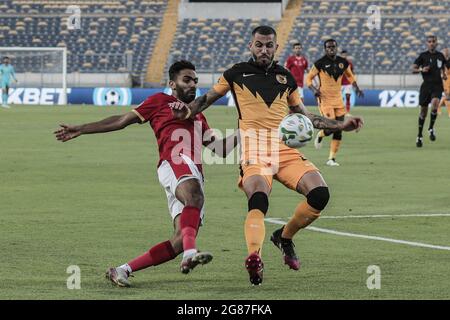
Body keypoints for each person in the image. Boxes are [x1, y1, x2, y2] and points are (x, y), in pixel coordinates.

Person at [170, 26, 364, 285]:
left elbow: (305, 118)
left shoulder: (286, 78)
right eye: (259, 45)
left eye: (269, 45)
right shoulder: (235, 73)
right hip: (253, 150)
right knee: (259, 198)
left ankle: (284, 237)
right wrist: (186, 112)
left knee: (320, 194)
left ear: (275, 47)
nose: (264, 49)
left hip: (284, 149)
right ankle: (254, 258)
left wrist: (341, 125)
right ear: (251, 46)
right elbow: (206, 99)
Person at [54, 60, 237, 287]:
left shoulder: (198, 115)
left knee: (180, 238)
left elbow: (220, 149)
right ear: (172, 83)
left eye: (195, 81)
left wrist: (244, 130)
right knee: (194, 198)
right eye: (187, 80)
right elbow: (122, 120)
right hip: (174, 162)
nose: (193, 85)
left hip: (193, 173)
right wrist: (82, 128)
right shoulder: (160, 101)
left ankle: (122, 269)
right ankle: (190, 254)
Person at [306, 39, 364, 166]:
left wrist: (357, 87)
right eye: (328, 47)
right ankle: (321, 134)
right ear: (325, 49)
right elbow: (309, 78)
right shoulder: (320, 63)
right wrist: (314, 90)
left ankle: (331, 159)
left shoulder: (343, 62)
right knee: (332, 125)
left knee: (339, 128)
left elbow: (350, 76)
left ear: (336, 48)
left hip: (338, 100)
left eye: (333, 47)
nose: (331, 49)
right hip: (325, 100)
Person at [412, 35, 447, 147]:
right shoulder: (423, 56)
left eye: (433, 41)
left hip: (437, 86)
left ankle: (431, 128)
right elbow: (413, 69)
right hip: (426, 87)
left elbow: (444, 67)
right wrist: (422, 69)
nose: (431, 43)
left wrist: (444, 75)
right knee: (423, 112)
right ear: (427, 43)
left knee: (435, 104)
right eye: (429, 41)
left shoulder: (440, 56)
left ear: (437, 43)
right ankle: (419, 135)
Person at [437, 47, 450, 117]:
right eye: (445, 51)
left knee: (446, 96)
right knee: (447, 95)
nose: (447, 52)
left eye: (447, 51)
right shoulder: (441, 60)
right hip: (446, 79)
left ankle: (438, 106)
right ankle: (449, 113)